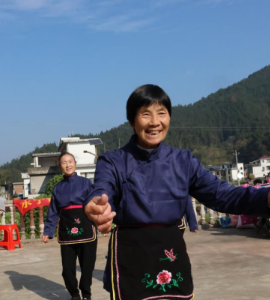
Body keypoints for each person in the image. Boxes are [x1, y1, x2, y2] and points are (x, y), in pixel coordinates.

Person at [84, 84, 270, 300]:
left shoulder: (184, 161)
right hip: (131, 256)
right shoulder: (112, 161)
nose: (155, 122)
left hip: (171, 254)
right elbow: (101, 191)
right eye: (146, 114)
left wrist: (265, 197)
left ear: (169, 118)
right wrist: (97, 206)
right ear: (132, 121)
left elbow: (223, 195)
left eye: (162, 113)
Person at [42, 152, 97, 300]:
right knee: (67, 269)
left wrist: (101, 223)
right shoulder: (58, 188)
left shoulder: (87, 183)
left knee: (87, 266)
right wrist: (48, 230)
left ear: (75, 164)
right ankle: (74, 294)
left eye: (70, 161)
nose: (68, 165)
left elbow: (95, 205)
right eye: (64, 163)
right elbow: (53, 211)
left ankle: (86, 294)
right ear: (60, 167)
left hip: (86, 229)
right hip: (66, 231)